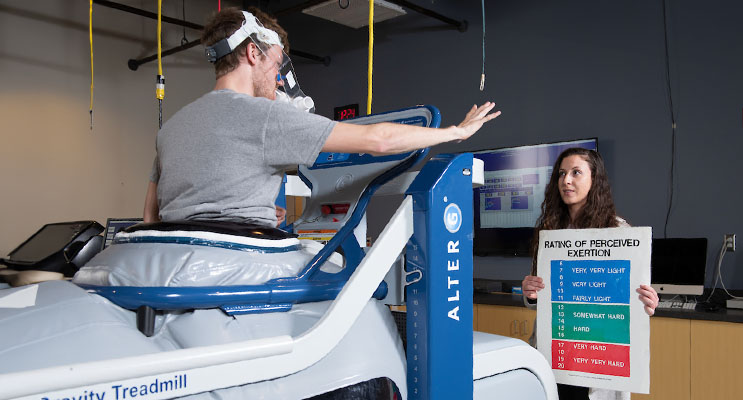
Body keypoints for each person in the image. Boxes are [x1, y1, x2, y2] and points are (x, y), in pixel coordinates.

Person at [143, 7, 500, 225]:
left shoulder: (170, 128)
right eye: (276, 62)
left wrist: (252, 213)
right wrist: (456, 131)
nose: (279, 77)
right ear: (254, 53)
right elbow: (379, 140)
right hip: (239, 268)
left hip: (178, 263)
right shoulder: (265, 116)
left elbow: (152, 217)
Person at [520, 147, 659, 400]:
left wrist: (646, 303)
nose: (566, 180)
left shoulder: (618, 231)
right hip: (558, 354)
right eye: (561, 174)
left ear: (595, 179)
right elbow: (543, 300)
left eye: (576, 172)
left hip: (598, 359)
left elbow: (629, 299)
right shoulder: (549, 232)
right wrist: (530, 293)